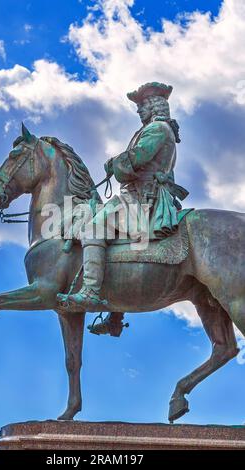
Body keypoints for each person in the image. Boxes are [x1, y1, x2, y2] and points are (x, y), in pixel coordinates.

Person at [57, 82, 188, 320]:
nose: (138, 111)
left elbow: (138, 158)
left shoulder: (157, 129)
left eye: (141, 106)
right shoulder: (156, 129)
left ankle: (90, 292)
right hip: (138, 194)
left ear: (153, 105)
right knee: (113, 236)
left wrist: (115, 162)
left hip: (142, 197)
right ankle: (115, 316)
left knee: (93, 228)